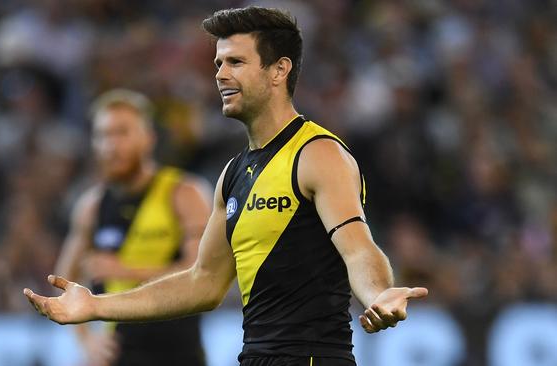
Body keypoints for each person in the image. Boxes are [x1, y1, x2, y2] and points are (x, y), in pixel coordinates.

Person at [25, 7, 428, 366]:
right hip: (255, 357)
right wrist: (97, 306)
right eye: (218, 63)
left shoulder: (317, 154)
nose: (219, 74)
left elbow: (358, 247)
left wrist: (378, 294)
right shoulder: (233, 173)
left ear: (279, 70)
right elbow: (203, 282)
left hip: (310, 356)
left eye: (235, 62)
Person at [53, 89, 211, 366]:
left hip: (178, 356)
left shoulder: (183, 194)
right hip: (119, 357)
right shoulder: (91, 206)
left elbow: (202, 272)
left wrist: (126, 270)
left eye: (122, 132)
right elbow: (64, 278)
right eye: (103, 135)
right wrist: (87, 341)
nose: (111, 145)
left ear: (148, 138)